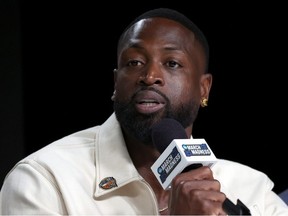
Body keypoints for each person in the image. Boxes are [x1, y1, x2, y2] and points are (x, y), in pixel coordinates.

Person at [0, 8, 287, 215]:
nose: (149, 76)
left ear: (204, 89)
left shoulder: (252, 190)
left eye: (172, 63)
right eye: (134, 62)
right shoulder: (45, 180)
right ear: (115, 83)